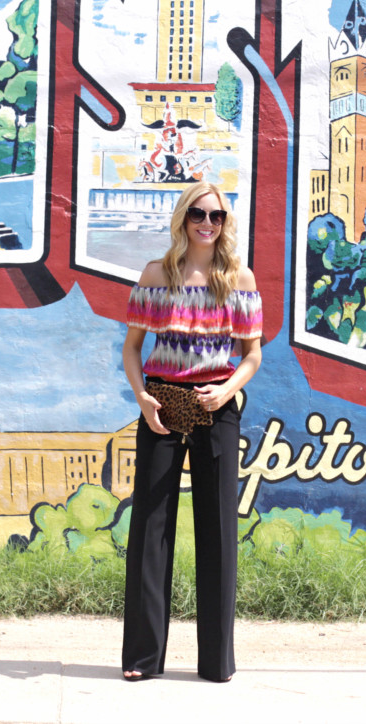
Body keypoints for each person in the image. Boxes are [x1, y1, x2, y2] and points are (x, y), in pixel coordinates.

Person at [120, 181, 263, 683]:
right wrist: (142, 398)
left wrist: (226, 392)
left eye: (217, 216)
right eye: (199, 214)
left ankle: (216, 663)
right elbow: (132, 349)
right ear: (183, 218)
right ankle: (142, 658)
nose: (208, 223)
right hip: (162, 403)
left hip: (216, 406)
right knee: (151, 529)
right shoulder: (157, 274)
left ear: (226, 223)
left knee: (218, 531)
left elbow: (252, 356)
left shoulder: (237, 278)